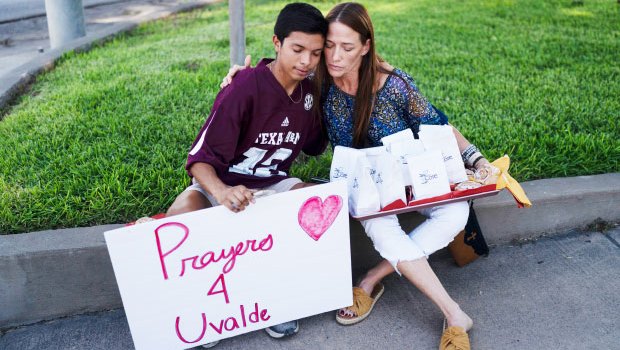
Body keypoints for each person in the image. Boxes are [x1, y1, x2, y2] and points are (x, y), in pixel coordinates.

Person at [222, 3, 493, 349]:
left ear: (366, 46)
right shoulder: (318, 86)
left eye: (347, 47)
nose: (334, 57)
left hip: (411, 179)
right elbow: (282, 70)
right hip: (363, 189)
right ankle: (454, 314)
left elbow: (437, 123)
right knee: (379, 223)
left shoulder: (393, 85)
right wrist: (241, 78)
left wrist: (477, 159)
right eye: (330, 46)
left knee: (456, 212)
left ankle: (371, 278)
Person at [165, 3, 328, 348]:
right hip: (222, 183)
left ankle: (277, 302)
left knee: (312, 201)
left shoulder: (311, 92)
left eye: (315, 53)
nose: (305, 61)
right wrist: (222, 192)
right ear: (276, 43)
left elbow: (315, 145)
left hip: (271, 183)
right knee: (179, 217)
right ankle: (205, 311)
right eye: (297, 50)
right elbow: (199, 161)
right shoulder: (244, 88)